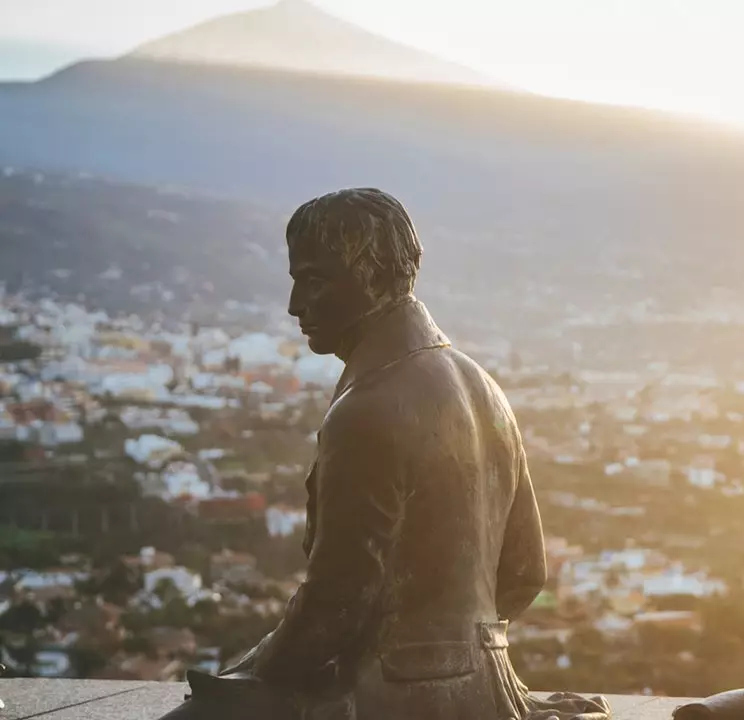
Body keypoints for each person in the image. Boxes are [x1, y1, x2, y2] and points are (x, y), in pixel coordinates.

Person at [162, 188, 609, 720]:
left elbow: (338, 600)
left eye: (314, 279)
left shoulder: (367, 410)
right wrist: (450, 644)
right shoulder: (483, 386)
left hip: (388, 698)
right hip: (490, 692)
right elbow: (525, 572)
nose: (295, 305)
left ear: (371, 274)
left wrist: (253, 675)